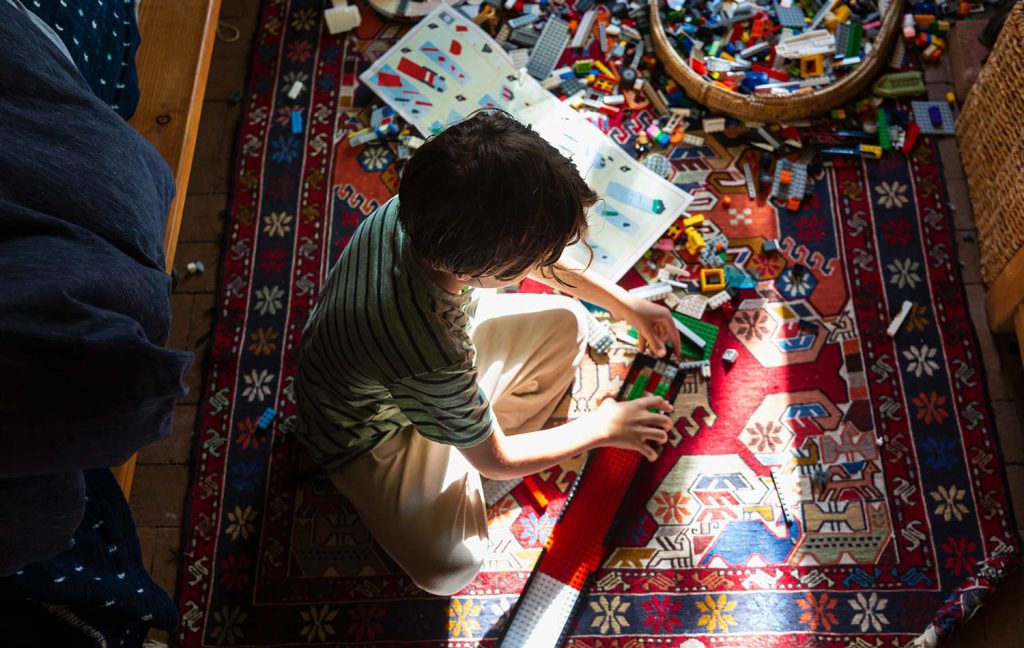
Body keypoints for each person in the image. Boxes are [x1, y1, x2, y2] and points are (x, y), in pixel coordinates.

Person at [294, 110, 681, 596]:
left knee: (571, 323)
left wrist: (624, 303)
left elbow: (530, 256)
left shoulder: (418, 207)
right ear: (482, 269)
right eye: (526, 268)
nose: (538, 270)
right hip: (362, 433)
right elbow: (497, 461)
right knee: (451, 567)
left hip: (391, 367)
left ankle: (457, 431)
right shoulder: (434, 350)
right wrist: (605, 426)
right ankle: (452, 438)